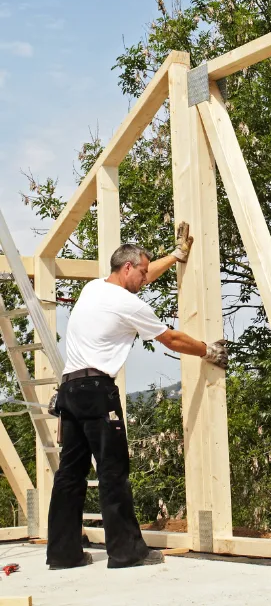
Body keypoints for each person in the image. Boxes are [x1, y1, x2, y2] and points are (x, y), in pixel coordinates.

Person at [46, 223, 228, 570]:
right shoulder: (128, 305)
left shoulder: (95, 289)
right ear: (127, 268)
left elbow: (144, 274)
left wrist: (175, 256)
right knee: (113, 471)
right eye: (142, 272)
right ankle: (127, 552)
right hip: (98, 393)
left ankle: (62, 554)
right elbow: (170, 339)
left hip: (69, 392)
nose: (146, 278)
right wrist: (207, 350)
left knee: (70, 475)